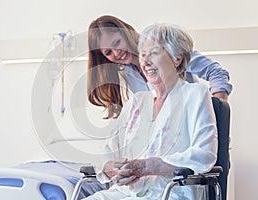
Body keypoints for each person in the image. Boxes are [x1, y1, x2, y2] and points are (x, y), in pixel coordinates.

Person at [83, 23, 218, 200]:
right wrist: (109, 166)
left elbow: (204, 155)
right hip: (126, 193)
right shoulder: (137, 101)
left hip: (172, 192)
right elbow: (108, 149)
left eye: (153, 53)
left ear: (177, 58)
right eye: (143, 55)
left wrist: (146, 167)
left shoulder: (195, 95)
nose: (145, 62)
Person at [87, 15, 232, 119]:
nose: (116, 53)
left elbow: (216, 72)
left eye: (117, 42)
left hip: (194, 126)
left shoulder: (164, 46)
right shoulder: (128, 72)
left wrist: (218, 111)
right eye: (108, 52)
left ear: (126, 34)